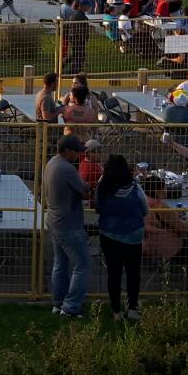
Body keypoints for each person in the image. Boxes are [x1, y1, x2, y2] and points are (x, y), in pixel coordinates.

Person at [94, 154, 149, 320]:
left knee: (114, 273)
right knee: (133, 273)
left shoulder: (103, 188)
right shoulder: (135, 188)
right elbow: (145, 209)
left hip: (109, 234)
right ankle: (132, 308)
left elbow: (98, 207)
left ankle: (116, 311)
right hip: (133, 235)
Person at [44, 134, 91, 317]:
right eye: (77, 151)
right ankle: (71, 307)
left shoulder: (51, 163)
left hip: (54, 220)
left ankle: (58, 303)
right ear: (67, 151)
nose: (79, 155)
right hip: (68, 224)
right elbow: (84, 191)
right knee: (83, 264)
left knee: (60, 263)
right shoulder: (67, 168)